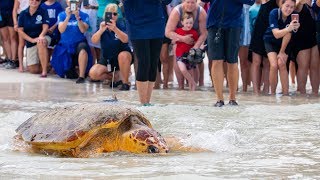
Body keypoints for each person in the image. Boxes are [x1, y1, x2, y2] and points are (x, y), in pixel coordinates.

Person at [202, 0, 255, 107]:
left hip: (234, 24)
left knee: (232, 61)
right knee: (216, 60)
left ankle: (232, 98)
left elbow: (250, 1)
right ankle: (219, 99)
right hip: (214, 23)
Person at [123, 0, 171, 106]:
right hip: (136, 24)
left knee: (153, 62)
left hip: (156, 22)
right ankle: (142, 102)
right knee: (144, 61)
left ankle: (148, 101)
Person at [89, 3, 133, 91]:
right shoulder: (102, 26)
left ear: (118, 15)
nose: (112, 16)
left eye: (115, 14)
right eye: (109, 14)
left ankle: (125, 82)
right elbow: (93, 40)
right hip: (107, 59)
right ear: (105, 15)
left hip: (122, 57)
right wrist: (101, 30)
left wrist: (115, 29)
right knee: (93, 73)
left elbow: (126, 40)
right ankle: (116, 77)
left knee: (123, 55)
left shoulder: (121, 24)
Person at [165, 0, 207, 90]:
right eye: (188, 2)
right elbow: (168, 32)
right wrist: (182, 38)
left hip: (196, 39)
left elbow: (204, 33)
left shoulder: (201, 12)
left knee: (195, 56)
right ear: (183, 1)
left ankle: (197, 85)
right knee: (177, 53)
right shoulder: (176, 11)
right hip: (179, 38)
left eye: (193, 2)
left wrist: (196, 46)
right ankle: (181, 86)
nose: (190, 5)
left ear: (196, 2)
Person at [51, 0, 93, 83]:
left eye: (76, 2)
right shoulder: (62, 15)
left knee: (83, 48)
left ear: (79, 3)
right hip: (65, 45)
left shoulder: (84, 15)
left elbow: (83, 30)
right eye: (71, 2)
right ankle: (72, 70)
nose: (73, 4)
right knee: (69, 75)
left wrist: (78, 18)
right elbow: (61, 30)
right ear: (67, 3)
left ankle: (81, 76)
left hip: (79, 43)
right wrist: (68, 17)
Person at [263, 0, 299, 95]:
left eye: (292, 7)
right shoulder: (274, 12)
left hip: (285, 42)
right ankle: (272, 93)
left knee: (282, 64)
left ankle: (286, 94)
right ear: (281, 4)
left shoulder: (294, 15)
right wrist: (289, 28)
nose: (289, 9)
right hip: (270, 40)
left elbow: (288, 35)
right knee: (274, 65)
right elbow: (276, 34)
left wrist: (282, 52)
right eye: (287, 6)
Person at [249, 0, 281, 95]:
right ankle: (256, 91)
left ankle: (266, 90)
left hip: (272, 27)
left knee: (267, 62)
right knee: (256, 61)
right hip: (260, 26)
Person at [18, 0, 51, 77]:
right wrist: (31, 40)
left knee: (41, 42)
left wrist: (41, 35)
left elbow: (45, 26)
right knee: (33, 70)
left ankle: (44, 71)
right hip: (31, 41)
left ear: (40, 2)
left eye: (37, 0)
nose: (34, 1)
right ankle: (51, 64)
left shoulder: (43, 11)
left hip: (43, 37)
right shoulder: (23, 13)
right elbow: (20, 31)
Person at [292, 0, 318, 95]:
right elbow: (297, 5)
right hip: (301, 40)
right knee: (303, 66)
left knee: (315, 67)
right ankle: (302, 94)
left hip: (313, 38)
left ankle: (315, 93)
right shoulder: (299, 3)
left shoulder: (313, 4)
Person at [175, 12, 199, 91]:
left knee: (191, 73)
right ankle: (193, 83)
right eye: (187, 23)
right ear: (182, 22)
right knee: (183, 70)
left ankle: (192, 92)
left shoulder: (194, 33)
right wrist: (181, 38)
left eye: (191, 23)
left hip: (190, 56)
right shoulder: (178, 31)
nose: (189, 25)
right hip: (180, 55)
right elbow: (172, 41)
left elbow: (197, 43)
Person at [0, 0, 19, 69]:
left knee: (13, 37)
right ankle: (9, 59)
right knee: (5, 38)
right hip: (1, 15)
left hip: (11, 14)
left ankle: (13, 60)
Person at [13, 0, 29, 72]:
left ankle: (30, 64)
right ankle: (21, 65)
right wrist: (15, 23)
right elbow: (15, 10)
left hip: (33, 16)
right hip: (22, 17)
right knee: (21, 43)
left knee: (31, 43)